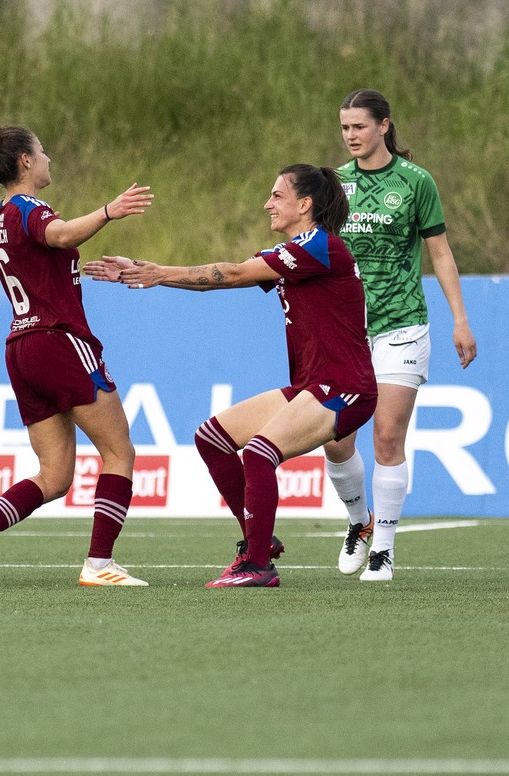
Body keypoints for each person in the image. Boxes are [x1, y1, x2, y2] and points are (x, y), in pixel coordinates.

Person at [87, 164, 377, 588]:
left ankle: (257, 564)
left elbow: (235, 273)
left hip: (345, 388)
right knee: (212, 438)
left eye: (277, 195)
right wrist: (143, 272)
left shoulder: (320, 246)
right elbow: (225, 277)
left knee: (260, 453)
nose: (268, 203)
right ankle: (256, 539)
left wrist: (157, 273)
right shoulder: (300, 250)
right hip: (311, 387)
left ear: (305, 204)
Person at [0, 121, 154, 588]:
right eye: (43, 150)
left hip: (22, 346)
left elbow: (48, 255)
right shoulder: (28, 206)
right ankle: (99, 565)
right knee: (120, 452)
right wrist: (108, 211)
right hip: (60, 341)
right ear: (25, 162)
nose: (50, 157)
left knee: (54, 476)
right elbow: (58, 236)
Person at [324, 89, 478, 581]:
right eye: (345, 127)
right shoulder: (332, 186)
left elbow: (441, 253)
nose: (351, 136)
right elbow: (315, 252)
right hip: (345, 330)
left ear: (384, 126)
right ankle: (358, 522)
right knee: (334, 439)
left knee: (387, 437)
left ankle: (383, 551)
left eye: (359, 126)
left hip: (402, 325)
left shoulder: (416, 182)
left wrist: (460, 319)